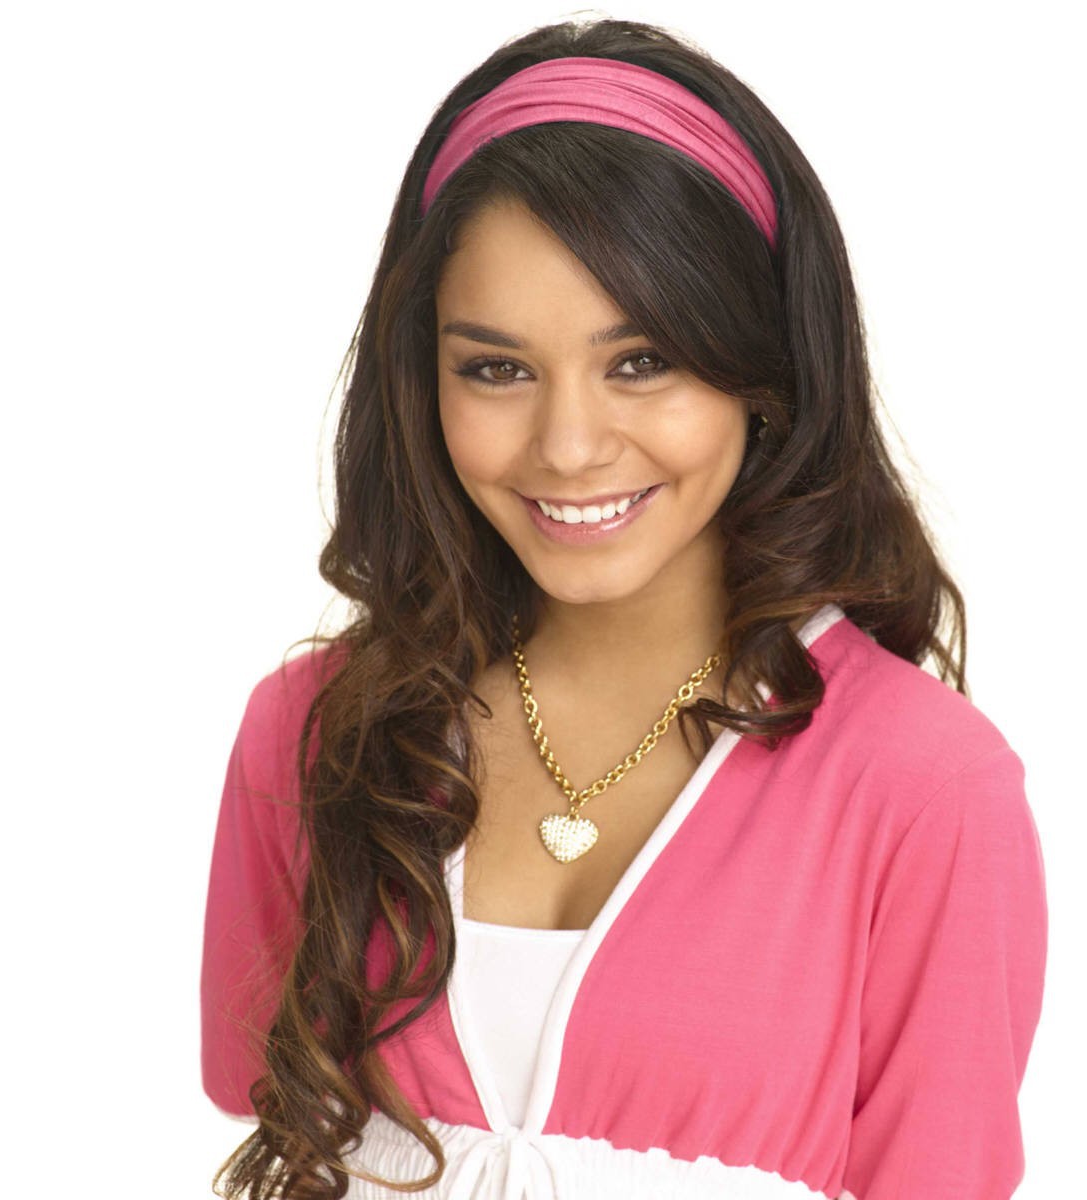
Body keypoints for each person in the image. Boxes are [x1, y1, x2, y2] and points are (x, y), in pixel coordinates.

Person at [198, 17, 1047, 1200]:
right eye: (496, 368)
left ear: (764, 374)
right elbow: (264, 1108)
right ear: (421, 380)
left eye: (642, 361)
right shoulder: (313, 733)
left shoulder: (923, 788)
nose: (569, 445)